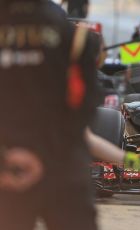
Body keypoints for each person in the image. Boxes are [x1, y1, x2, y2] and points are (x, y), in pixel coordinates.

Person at [0, 0, 100, 229]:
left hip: (6, 172)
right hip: (62, 165)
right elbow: (85, 104)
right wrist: (44, 156)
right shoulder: (73, 36)